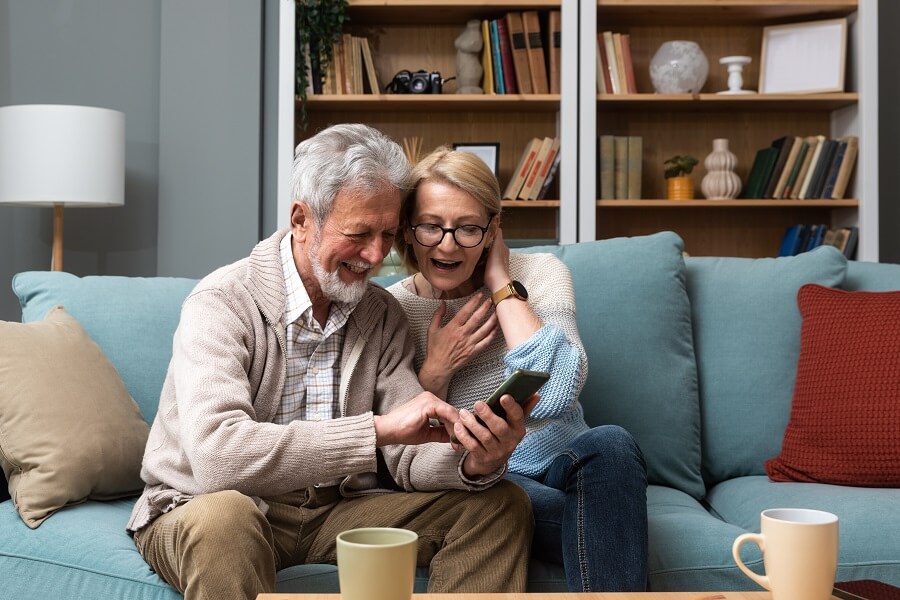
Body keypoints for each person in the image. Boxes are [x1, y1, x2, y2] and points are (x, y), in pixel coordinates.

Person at [127, 125, 536, 600]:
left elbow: (408, 456)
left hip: (332, 510)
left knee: (500, 504)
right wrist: (377, 429)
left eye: (387, 234)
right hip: (204, 504)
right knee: (227, 519)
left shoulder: (380, 313)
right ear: (302, 219)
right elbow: (219, 457)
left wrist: (475, 461)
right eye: (359, 233)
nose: (376, 255)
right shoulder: (222, 302)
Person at [387, 146, 649, 592]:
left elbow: (558, 390)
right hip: (484, 477)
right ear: (408, 232)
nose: (447, 245)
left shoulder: (542, 272)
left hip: (565, 461)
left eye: (468, 228)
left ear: (492, 231)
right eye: (431, 226)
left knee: (613, 442)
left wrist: (501, 284)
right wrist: (436, 370)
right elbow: (403, 444)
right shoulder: (392, 308)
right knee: (577, 514)